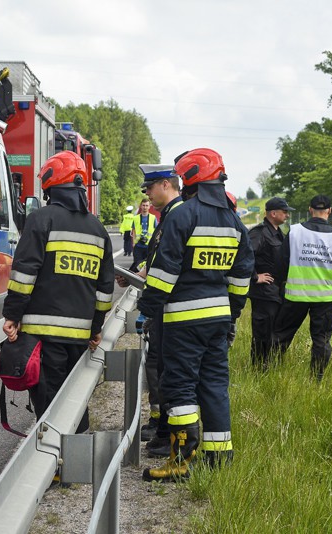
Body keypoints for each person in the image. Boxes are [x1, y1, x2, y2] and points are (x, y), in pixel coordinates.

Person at [138, 148, 253, 482]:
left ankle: (179, 461)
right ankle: (218, 459)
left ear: (188, 178)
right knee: (215, 386)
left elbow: (164, 271)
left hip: (183, 320)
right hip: (219, 319)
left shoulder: (183, 215)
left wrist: (148, 309)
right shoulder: (234, 221)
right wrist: (231, 313)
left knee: (180, 387)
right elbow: (243, 274)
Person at [2, 151, 114, 434]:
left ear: (51, 185)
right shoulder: (98, 229)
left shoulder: (41, 219)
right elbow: (105, 289)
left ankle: (54, 466)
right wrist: (96, 327)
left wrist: (13, 315)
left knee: (49, 400)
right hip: (80, 337)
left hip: (43, 334)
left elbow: (24, 275)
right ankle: (73, 456)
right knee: (75, 398)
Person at [115, 164, 182, 457]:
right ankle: (162, 427)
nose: (147, 195)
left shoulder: (177, 216)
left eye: (150, 188)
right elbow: (156, 261)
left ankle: (167, 432)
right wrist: (138, 273)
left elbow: (169, 267)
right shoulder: (167, 217)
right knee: (158, 367)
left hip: (168, 308)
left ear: (166, 184)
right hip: (162, 307)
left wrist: (147, 306)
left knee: (166, 371)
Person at [271, 195, 332, 380]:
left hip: (295, 295)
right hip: (325, 299)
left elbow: (281, 263)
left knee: (281, 336)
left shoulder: (295, 232)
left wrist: (280, 286)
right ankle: (315, 379)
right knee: (321, 340)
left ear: (310, 209)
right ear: (330, 211)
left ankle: (271, 372)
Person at [248, 197, 294, 370]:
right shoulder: (259, 233)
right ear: (273, 213)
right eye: (284, 211)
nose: (287, 215)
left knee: (275, 330)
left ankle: (270, 366)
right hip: (264, 293)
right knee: (263, 332)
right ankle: (259, 368)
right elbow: (245, 255)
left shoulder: (278, 233)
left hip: (277, 291)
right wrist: (255, 277)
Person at [132, 198, 157, 267]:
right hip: (138, 245)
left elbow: (156, 231)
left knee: (148, 265)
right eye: (143, 205)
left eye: (146, 205)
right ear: (140, 206)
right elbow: (133, 231)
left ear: (149, 206)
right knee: (137, 265)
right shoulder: (135, 218)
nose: (145, 207)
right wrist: (133, 243)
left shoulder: (153, 218)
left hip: (149, 246)